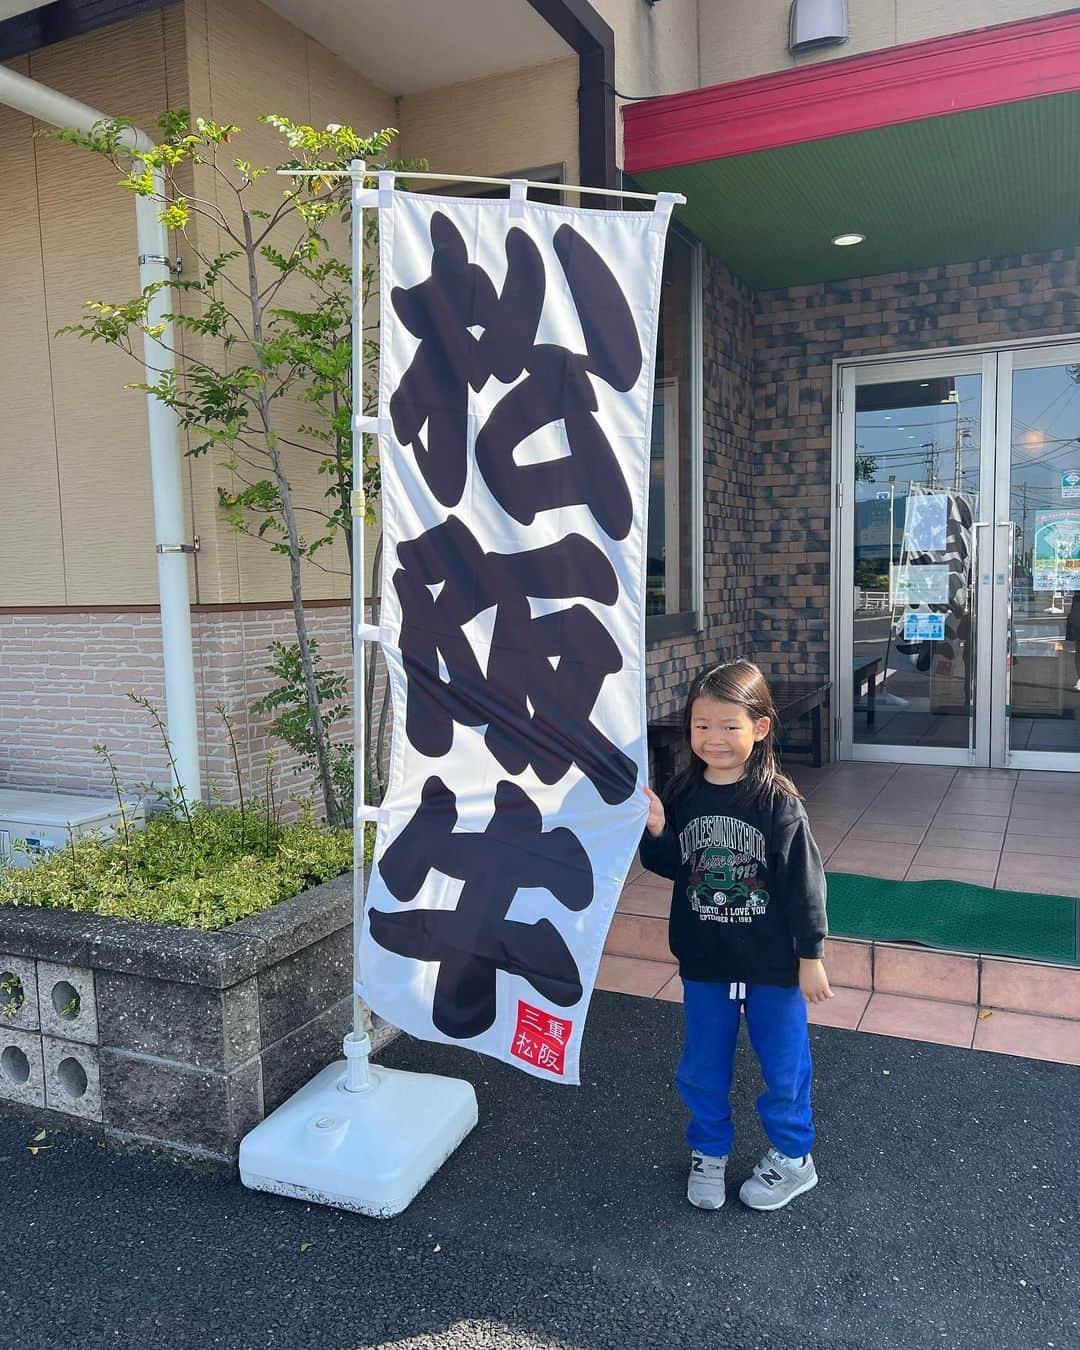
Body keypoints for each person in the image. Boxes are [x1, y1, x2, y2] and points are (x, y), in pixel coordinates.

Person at [639, 660, 832, 1213]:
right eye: (702, 726)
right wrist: (657, 829)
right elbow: (677, 865)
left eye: (729, 726)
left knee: (784, 1063)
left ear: (761, 728)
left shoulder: (777, 803)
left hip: (772, 965)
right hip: (706, 962)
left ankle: (794, 1158)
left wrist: (810, 954)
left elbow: (805, 882)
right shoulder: (684, 794)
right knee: (702, 1064)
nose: (715, 739)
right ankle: (709, 1151)